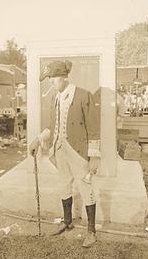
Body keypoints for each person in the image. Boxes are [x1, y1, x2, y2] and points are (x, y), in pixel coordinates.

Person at [29, 60, 100, 248]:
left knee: (86, 189)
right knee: (63, 185)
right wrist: (37, 139)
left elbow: (94, 129)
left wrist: (94, 157)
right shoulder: (56, 98)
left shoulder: (84, 95)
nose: (51, 82)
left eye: (52, 78)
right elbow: (53, 126)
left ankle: (91, 231)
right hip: (60, 149)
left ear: (63, 77)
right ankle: (67, 222)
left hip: (78, 152)